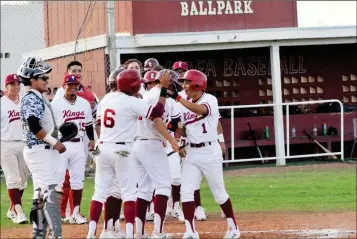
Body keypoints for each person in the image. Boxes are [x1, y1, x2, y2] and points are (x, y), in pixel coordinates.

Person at [87, 69, 178, 239]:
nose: (140, 88)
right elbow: (157, 112)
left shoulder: (107, 98)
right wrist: (164, 89)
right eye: (137, 85)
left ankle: (93, 234)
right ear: (132, 86)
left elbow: (99, 122)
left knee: (99, 192)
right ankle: (131, 235)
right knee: (129, 193)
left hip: (103, 146)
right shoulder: (131, 101)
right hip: (122, 148)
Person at [174, 69, 240, 239]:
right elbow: (182, 129)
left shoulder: (209, 99)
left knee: (219, 192)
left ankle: (233, 228)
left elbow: (200, 110)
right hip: (192, 152)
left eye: (187, 82)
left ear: (197, 84)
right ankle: (190, 231)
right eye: (183, 83)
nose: (184, 86)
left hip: (210, 151)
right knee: (186, 191)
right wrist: (177, 136)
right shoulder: (183, 103)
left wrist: (179, 99)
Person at [18, 57, 66, 238]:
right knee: (52, 193)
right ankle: (56, 235)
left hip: (40, 150)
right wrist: (55, 142)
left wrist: (58, 137)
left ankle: (38, 234)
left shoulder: (37, 97)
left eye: (47, 78)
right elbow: (33, 125)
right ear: (32, 80)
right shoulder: (32, 97)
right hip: (40, 151)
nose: (47, 81)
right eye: (43, 78)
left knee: (40, 195)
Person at [133, 69, 181, 238]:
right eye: (174, 82)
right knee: (162, 186)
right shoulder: (158, 97)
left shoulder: (149, 94)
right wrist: (172, 140)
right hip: (151, 143)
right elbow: (157, 123)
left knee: (143, 189)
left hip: (139, 143)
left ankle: (138, 233)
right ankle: (158, 232)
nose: (175, 85)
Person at [53, 60, 99, 222]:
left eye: (75, 85)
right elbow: (51, 126)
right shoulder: (56, 104)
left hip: (79, 144)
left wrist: (92, 139)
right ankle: (56, 212)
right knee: (58, 180)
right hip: (62, 145)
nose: (73, 87)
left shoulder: (84, 103)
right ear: (64, 85)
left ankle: (76, 213)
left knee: (77, 181)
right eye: (69, 85)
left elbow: (88, 125)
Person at [1, 74, 30, 224]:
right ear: (6, 87)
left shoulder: (24, 102)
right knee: (13, 179)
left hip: (24, 143)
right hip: (5, 144)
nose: (16, 86)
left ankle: (12, 209)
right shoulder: (2, 103)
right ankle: (19, 212)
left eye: (18, 83)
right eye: (12, 84)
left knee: (23, 181)